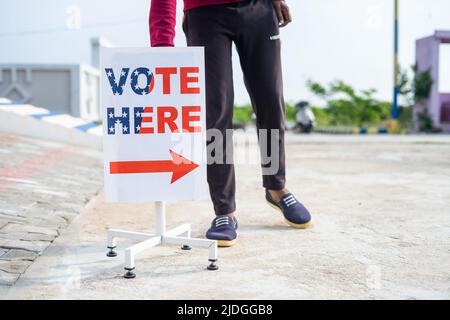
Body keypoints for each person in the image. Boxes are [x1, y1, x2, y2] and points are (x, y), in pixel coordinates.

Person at [149, 0, 312, 247]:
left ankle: (276, 188)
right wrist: (162, 42)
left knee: (270, 101)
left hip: (258, 9)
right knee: (217, 110)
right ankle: (224, 211)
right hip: (204, 13)